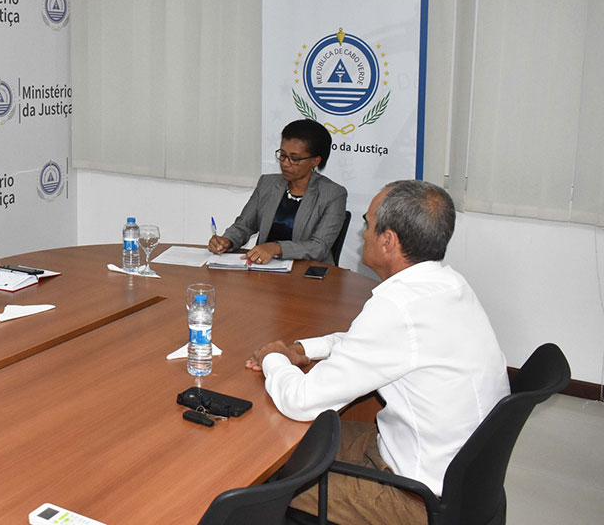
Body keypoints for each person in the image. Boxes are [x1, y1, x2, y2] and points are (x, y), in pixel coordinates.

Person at [245, 180, 509, 524]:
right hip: (453, 474)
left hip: (415, 498)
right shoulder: (447, 285)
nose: (362, 233)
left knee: (263, 489)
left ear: (389, 241)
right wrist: (304, 350)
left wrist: (273, 357)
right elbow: (374, 343)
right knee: (296, 447)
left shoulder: (398, 307)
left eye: (368, 224)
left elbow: (301, 400)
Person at [209, 119, 347, 265]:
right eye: (282, 155)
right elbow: (244, 225)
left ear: (315, 161)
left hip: (308, 275)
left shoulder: (333, 194)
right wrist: (228, 241)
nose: (285, 164)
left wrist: (277, 248)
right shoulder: (267, 184)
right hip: (264, 269)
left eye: (295, 159)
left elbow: (319, 247)